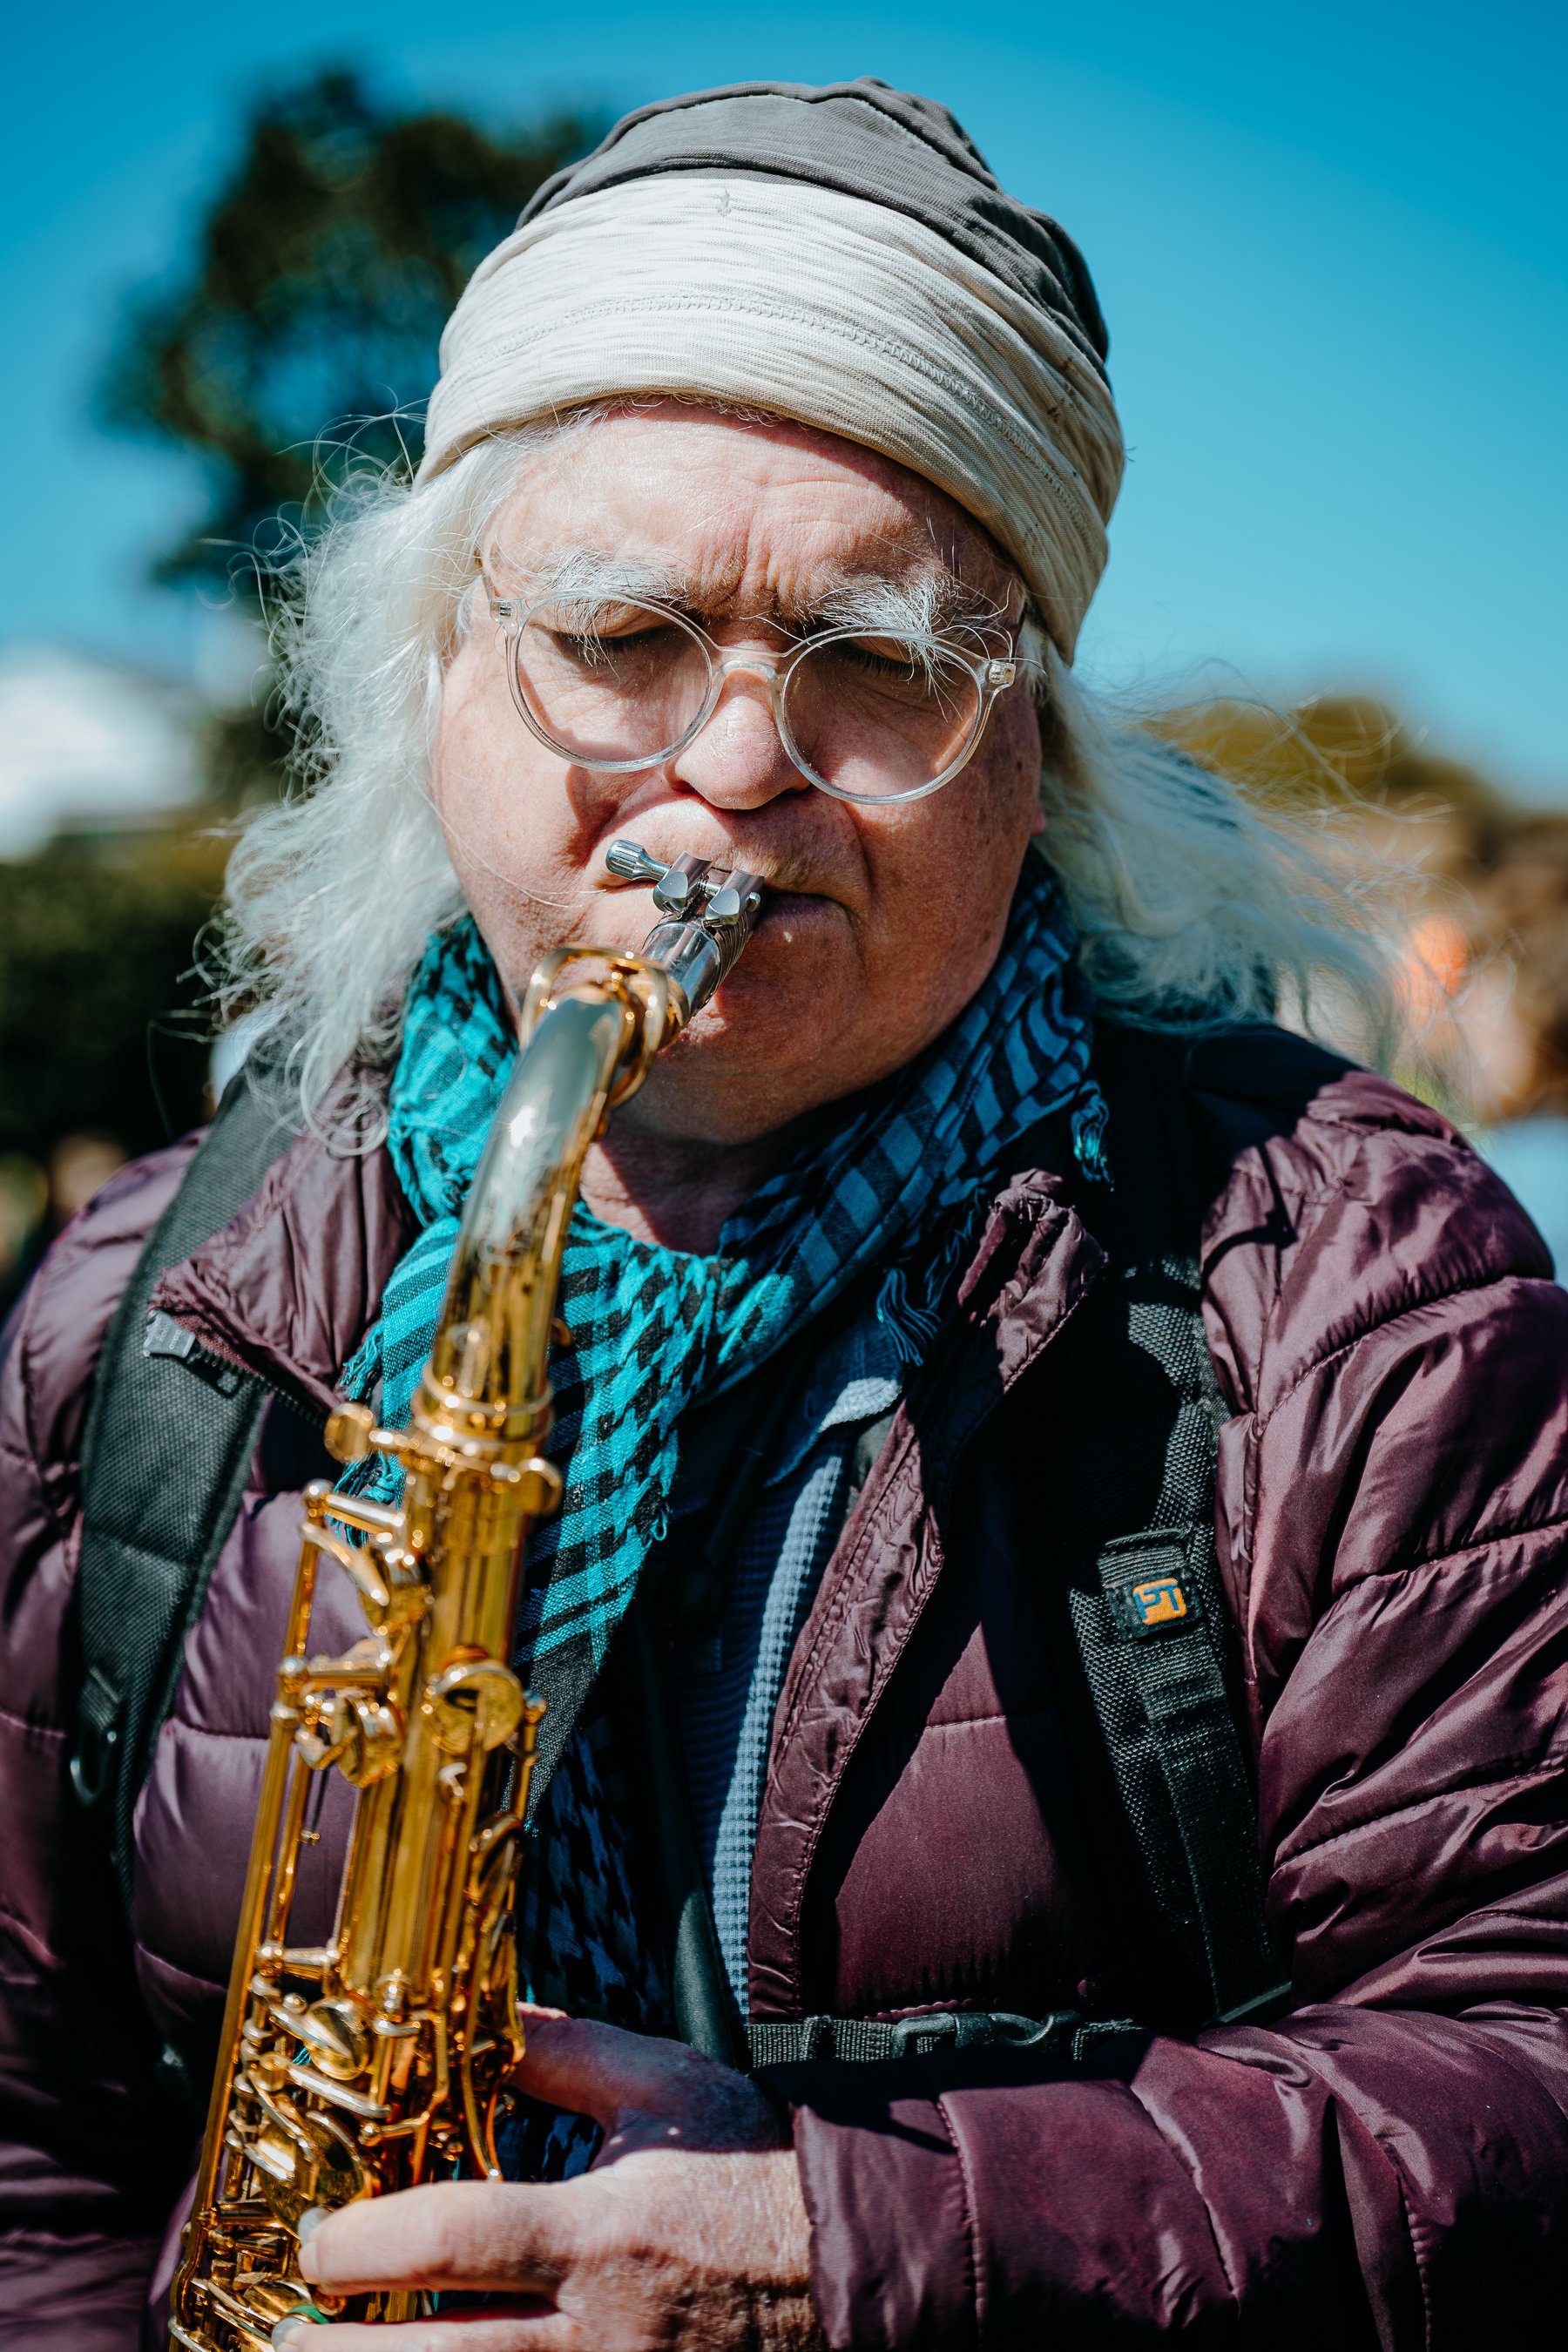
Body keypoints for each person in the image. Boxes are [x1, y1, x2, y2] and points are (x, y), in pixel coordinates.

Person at [2, 78, 1565, 2352]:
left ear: (1039, 748)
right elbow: (38, 2150)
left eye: (878, 659)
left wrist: (866, 2263)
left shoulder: (1355, 1284)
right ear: (434, 681)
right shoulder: (125, 1313)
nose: (733, 770)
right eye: (619, 635)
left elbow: (1519, 2084)